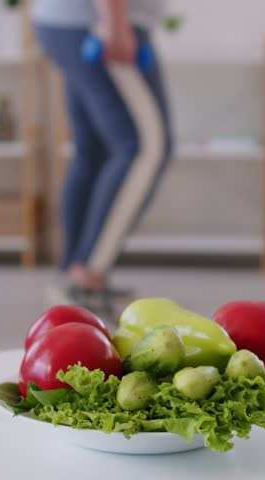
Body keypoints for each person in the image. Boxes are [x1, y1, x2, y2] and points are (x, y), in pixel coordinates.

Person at [33, 0, 173, 306]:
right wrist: (115, 20)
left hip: (71, 23)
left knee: (93, 152)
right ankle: (85, 277)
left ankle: (73, 272)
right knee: (141, 148)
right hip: (98, 23)